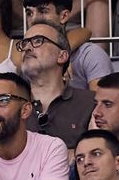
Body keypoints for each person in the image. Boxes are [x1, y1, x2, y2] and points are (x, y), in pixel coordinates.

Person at [17, 18, 94, 149]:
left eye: (38, 41)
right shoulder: (11, 106)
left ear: (62, 56)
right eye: (24, 43)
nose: (27, 48)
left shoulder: (90, 103)